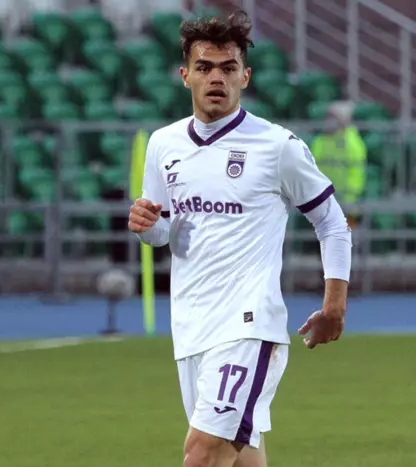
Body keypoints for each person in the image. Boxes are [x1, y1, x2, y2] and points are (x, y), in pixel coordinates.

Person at [127, 10, 352, 467]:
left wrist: (335, 305)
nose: (217, 78)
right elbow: (165, 232)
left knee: (201, 454)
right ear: (185, 75)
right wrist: (148, 226)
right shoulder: (163, 145)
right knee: (242, 458)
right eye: (205, 67)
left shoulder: (277, 146)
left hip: (249, 326)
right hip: (191, 329)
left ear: (244, 77)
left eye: (228, 68)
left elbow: (331, 221)